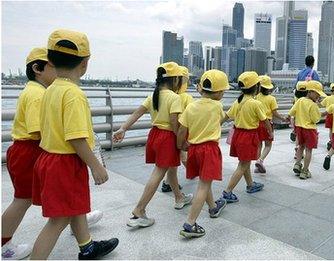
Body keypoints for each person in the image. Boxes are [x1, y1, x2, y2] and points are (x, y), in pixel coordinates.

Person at [2, 48, 104, 260]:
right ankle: (4, 243)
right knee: (34, 204)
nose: (55, 69)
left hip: (40, 151)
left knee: (64, 205)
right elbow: (43, 131)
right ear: (37, 68)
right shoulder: (41, 94)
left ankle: (86, 243)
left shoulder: (47, 90)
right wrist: (95, 164)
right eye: (51, 65)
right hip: (39, 150)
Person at [30, 29, 119, 259]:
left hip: (49, 158)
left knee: (76, 206)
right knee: (58, 221)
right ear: (85, 63)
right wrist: (95, 166)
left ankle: (87, 248)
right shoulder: (74, 94)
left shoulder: (50, 90)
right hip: (65, 162)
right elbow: (76, 138)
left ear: (50, 59)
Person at [113, 62, 193, 228]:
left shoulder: (153, 95)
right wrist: (182, 142)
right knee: (158, 172)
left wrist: (123, 129)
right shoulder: (174, 97)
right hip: (167, 137)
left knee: (171, 168)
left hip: (155, 135)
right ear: (175, 80)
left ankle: (179, 197)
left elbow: (137, 113)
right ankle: (139, 209)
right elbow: (174, 124)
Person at [177, 70, 229, 238]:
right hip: (209, 149)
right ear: (219, 92)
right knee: (204, 185)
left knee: (204, 181)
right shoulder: (217, 106)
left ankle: (213, 207)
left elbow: (182, 130)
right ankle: (189, 224)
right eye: (223, 91)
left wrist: (181, 145)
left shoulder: (191, 106)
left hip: (193, 149)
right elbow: (220, 120)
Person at [221, 71, 271, 203]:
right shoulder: (256, 103)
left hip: (238, 135)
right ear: (256, 87)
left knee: (245, 162)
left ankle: (250, 185)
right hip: (248, 136)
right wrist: (270, 132)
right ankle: (227, 191)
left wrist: (215, 126)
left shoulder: (238, 101)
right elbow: (265, 120)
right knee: (243, 165)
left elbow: (226, 117)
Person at [161, 66, 192, 193]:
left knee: (175, 159)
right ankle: (191, 171)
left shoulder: (170, 95)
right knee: (180, 156)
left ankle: (168, 182)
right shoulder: (186, 97)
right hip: (181, 130)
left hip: (169, 131)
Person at [289, 81, 326, 179]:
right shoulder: (313, 105)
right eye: (317, 93)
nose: (318, 95)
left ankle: (297, 164)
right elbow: (316, 119)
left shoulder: (300, 100)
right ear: (309, 92)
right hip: (309, 130)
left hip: (299, 128)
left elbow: (292, 112)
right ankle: (305, 171)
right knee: (308, 150)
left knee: (301, 146)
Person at [254, 75, 287, 174]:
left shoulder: (256, 97)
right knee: (268, 145)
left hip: (257, 123)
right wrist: (283, 118)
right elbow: (275, 113)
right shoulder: (271, 99)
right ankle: (260, 160)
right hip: (267, 123)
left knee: (259, 145)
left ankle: (257, 164)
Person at [321, 83, 334, 150]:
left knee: (331, 130)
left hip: (329, 115)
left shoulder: (327, 98)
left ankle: (331, 141)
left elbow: (322, 104)